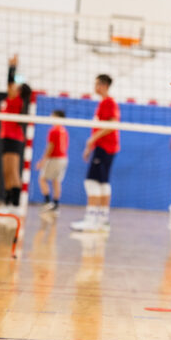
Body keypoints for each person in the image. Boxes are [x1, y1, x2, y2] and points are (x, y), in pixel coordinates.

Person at [70, 74, 120, 232]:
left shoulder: (108, 102)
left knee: (92, 182)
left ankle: (91, 220)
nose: (95, 86)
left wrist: (92, 140)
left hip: (105, 147)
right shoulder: (103, 103)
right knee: (103, 183)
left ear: (104, 85)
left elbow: (112, 125)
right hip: (105, 147)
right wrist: (91, 145)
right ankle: (103, 220)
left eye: (97, 84)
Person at [0, 55, 32, 214]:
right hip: (6, 137)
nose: (13, 87)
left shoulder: (16, 100)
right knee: (6, 172)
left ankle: (15, 206)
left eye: (16, 86)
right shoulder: (11, 100)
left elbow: (9, 83)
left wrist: (12, 68)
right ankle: (7, 203)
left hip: (13, 138)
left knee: (13, 172)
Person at [36, 110, 69, 213]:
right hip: (63, 159)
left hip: (54, 158)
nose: (51, 118)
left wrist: (42, 161)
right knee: (56, 181)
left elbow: (50, 147)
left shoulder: (54, 130)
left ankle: (47, 202)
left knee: (42, 179)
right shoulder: (64, 131)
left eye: (52, 116)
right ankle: (55, 204)